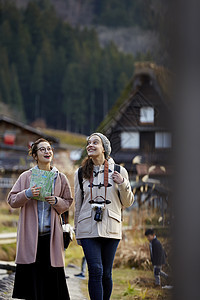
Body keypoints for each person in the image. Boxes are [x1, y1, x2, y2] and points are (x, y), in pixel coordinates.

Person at [7, 138, 73, 300]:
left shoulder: (61, 177)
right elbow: (12, 200)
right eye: (42, 149)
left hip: (51, 237)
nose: (47, 152)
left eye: (49, 149)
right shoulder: (25, 177)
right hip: (31, 236)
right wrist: (27, 193)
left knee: (52, 283)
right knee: (32, 286)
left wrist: (57, 201)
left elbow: (68, 202)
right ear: (35, 155)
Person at [74, 132, 134, 300]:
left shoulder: (119, 171)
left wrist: (122, 183)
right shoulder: (80, 173)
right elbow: (78, 206)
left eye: (95, 142)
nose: (90, 145)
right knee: (95, 270)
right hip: (87, 228)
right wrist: (77, 231)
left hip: (112, 228)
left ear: (104, 149)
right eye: (88, 142)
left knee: (106, 273)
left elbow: (128, 202)